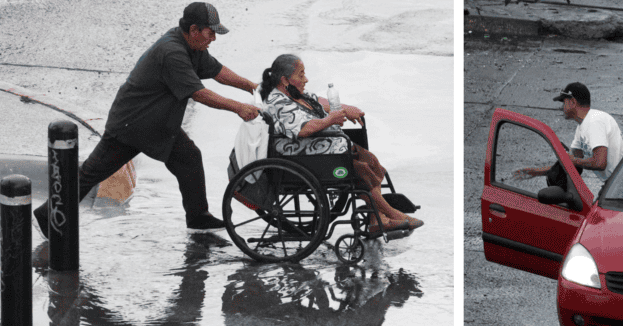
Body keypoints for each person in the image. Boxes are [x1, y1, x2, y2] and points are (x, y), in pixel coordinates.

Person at [34, 2, 260, 238]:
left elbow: (217, 71)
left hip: (157, 125)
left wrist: (252, 87)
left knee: (189, 158)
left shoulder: (193, 47)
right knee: (92, 174)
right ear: (194, 30)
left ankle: (198, 217)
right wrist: (238, 108)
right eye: (210, 32)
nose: (213, 38)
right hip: (132, 125)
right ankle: (46, 216)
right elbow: (199, 93)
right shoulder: (172, 52)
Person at [258, 54, 423, 235]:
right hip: (298, 154)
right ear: (284, 79)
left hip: (319, 147)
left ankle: (378, 219)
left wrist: (346, 109)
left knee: (372, 162)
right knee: (359, 170)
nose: (306, 79)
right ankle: (392, 213)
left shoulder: (292, 93)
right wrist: (330, 120)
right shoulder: (278, 102)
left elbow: (318, 101)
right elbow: (303, 129)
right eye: (301, 75)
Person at [513, 82, 623, 185]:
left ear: (572, 102)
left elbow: (600, 163)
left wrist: (571, 160)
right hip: (614, 182)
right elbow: (571, 162)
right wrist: (536, 172)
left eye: (564, 102)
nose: (561, 107)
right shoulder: (581, 128)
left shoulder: (594, 121)